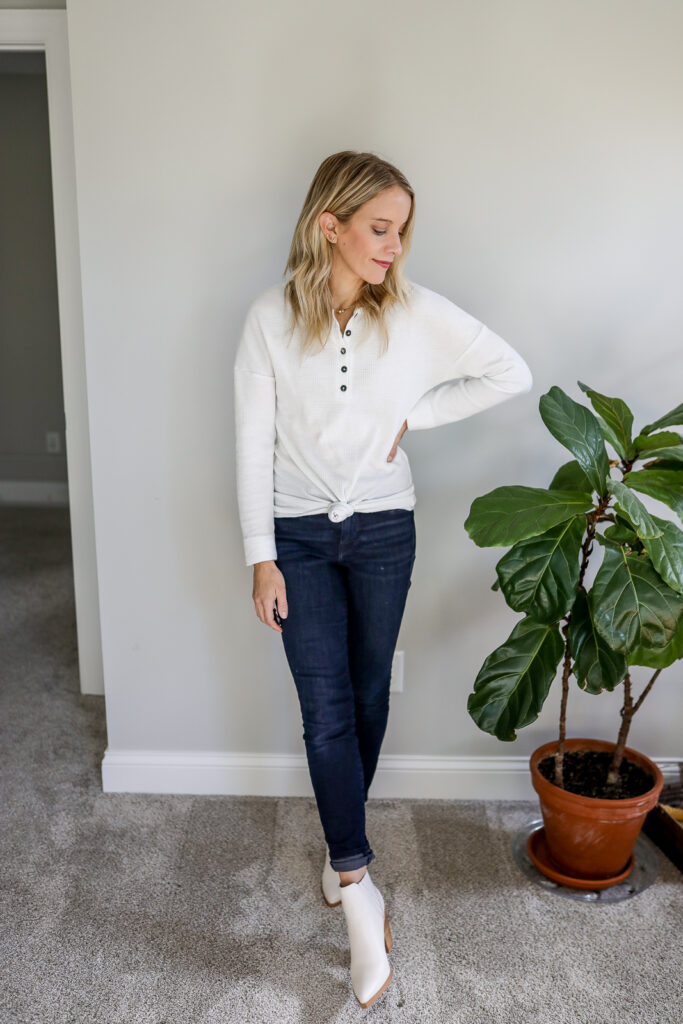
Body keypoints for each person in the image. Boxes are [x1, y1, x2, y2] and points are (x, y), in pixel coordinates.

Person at [233, 150, 533, 1008]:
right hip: (294, 536)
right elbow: (252, 442)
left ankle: (337, 849)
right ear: (328, 224)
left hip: (382, 533)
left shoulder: (415, 313)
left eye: (400, 230)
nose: (394, 246)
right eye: (378, 228)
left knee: (366, 696)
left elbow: (508, 370)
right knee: (322, 707)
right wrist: (260, 554)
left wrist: (416, 412)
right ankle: (359, 887)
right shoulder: (266, 320)